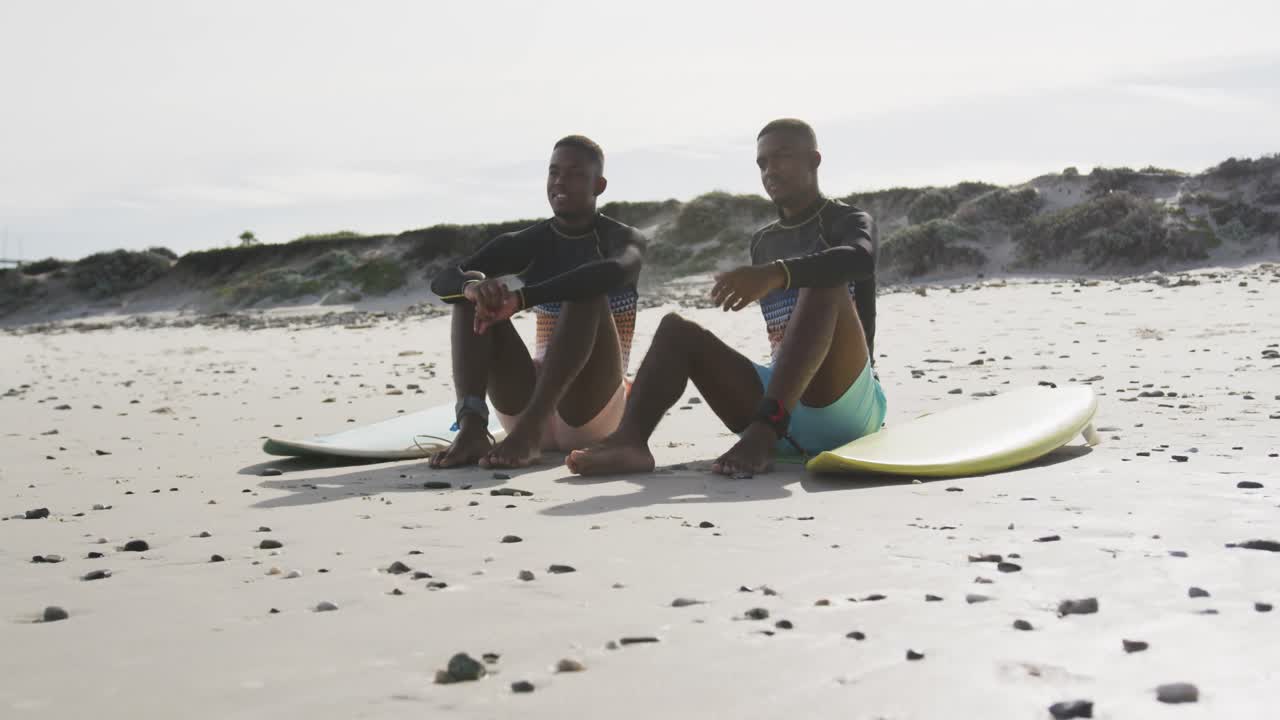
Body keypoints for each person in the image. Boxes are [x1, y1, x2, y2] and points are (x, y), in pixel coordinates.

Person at [567, 118, 885, 477]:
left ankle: (764, 432)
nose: (770, 170)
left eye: (781, 156)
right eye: (762, 163)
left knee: (825, 280)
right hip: (781, 408)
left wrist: (776, 273)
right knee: (676, 331)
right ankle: (630, 442)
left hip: (845, 407)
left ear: (814, 160)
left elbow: (858, 259)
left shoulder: (848, 221)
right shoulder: (763, 241)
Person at [428, 135, 645, 469]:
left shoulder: (623, 239)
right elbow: (444, 279)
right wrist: (473, 288)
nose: (559, 181)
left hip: (594, 412)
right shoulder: (529, 241)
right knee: (469, 291)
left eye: (574, 173)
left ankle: (529, 434)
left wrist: (523, 298)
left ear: (598, 185)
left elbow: (613, 272)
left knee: (586, 286)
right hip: (525, 406)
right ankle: (472, 428)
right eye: (553, 172)